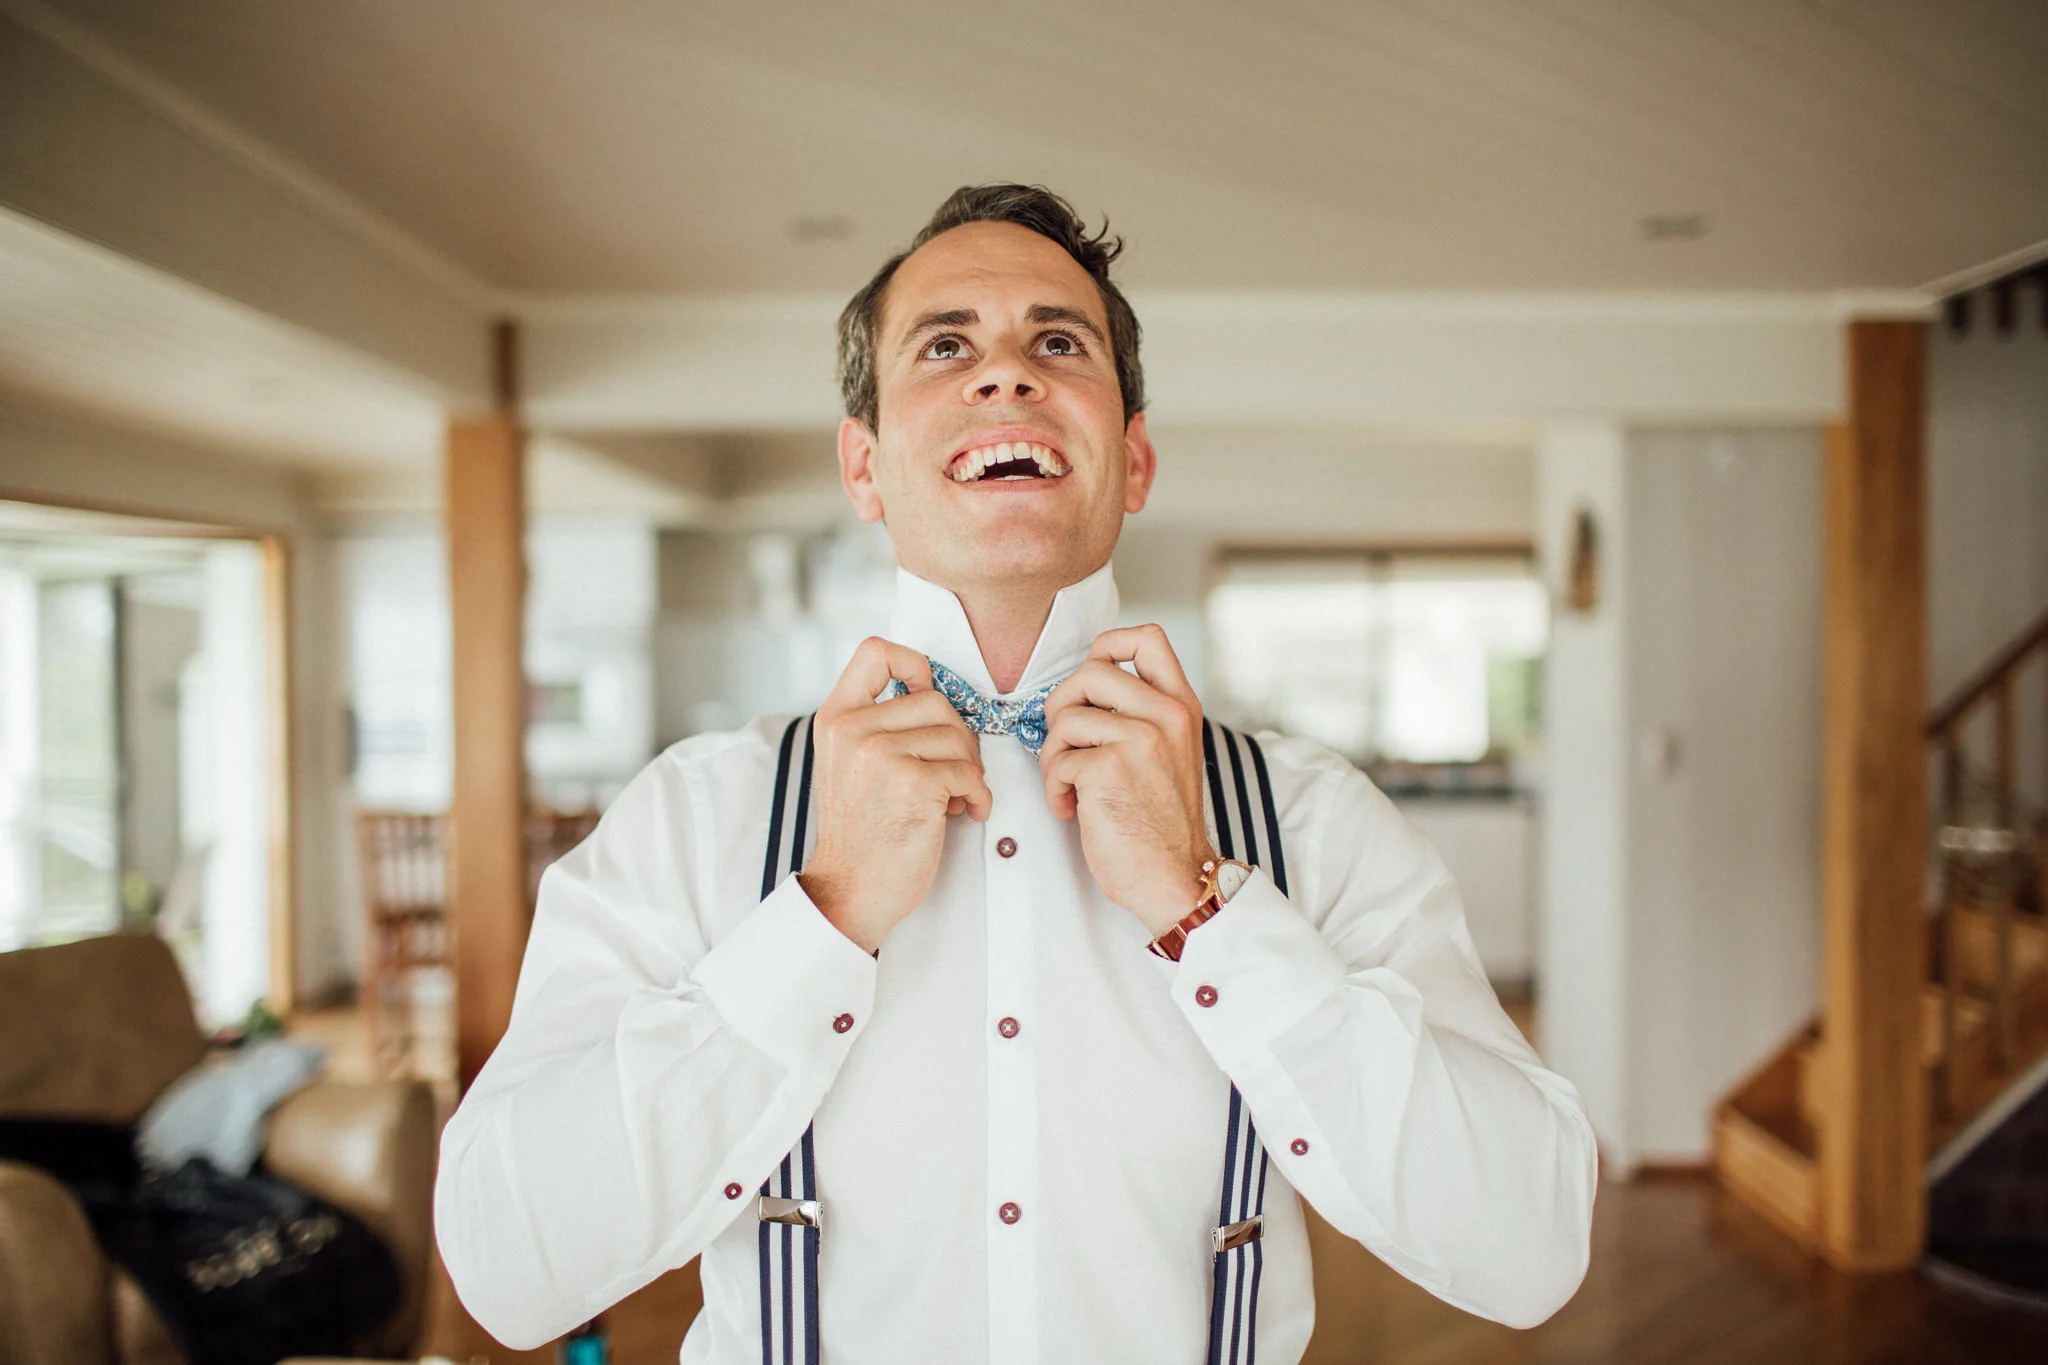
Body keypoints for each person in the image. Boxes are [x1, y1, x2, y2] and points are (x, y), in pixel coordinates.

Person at [434, 183, 1597, 1364]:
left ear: (1132, 459)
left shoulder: (1310, 819)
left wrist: (1208, 912)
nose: (1004, 375)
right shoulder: (696, 816)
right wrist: (821, 918)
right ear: (864, 467)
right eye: (945, 345)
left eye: (1057, 341)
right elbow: (509, 1268)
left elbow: (1530, 1251)